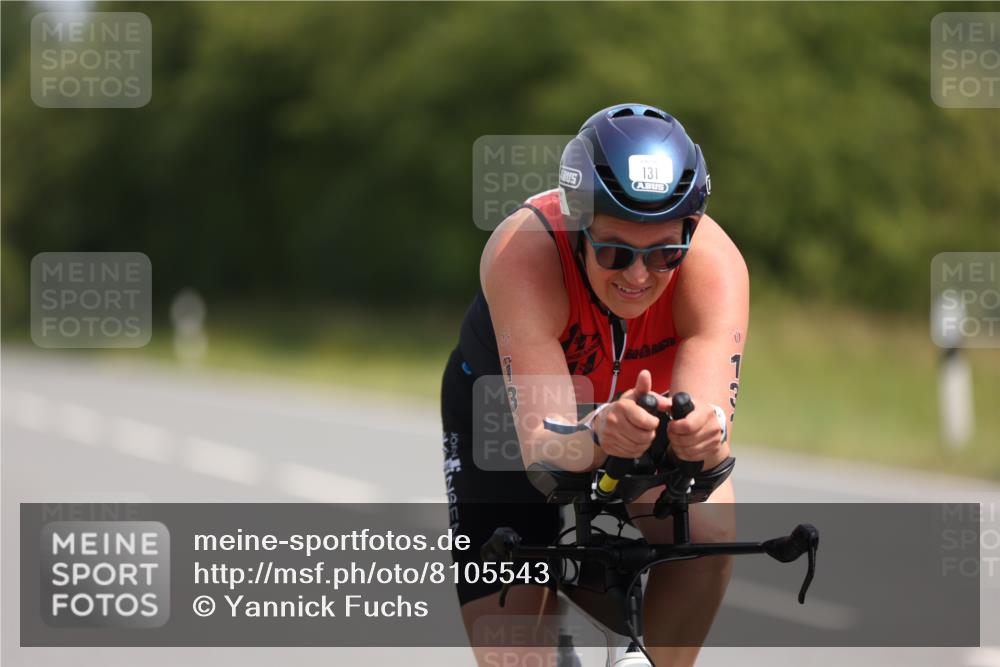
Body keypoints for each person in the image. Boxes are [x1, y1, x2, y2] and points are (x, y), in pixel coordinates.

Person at [441, 103, 748, 667]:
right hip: (507, 417)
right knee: (514, 656)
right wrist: (601, 427)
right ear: (577, 226)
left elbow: (711, 431)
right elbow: (545, 449)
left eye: (663, 254)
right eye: (614, 251)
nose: (637, 275)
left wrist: (706, 433)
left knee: (707, 527)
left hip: (632, 414)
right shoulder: (523, 253)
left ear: (689, 232)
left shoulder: (715, 266)